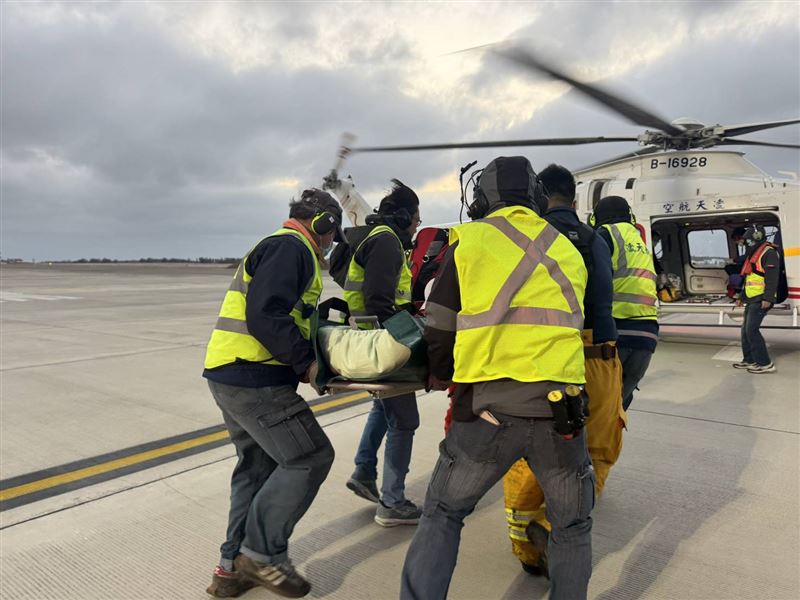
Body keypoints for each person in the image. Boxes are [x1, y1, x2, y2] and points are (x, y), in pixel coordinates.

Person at [401, 156, 594, 600]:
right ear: (537, 199)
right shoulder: (568, 247)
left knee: (443, 513)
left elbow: (440, 328)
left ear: (481, 200)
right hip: (561, 414)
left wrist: (443, 375)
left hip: (487, 412)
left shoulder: (468, 243)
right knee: (573, 525)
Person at [202, 189, 343, 598]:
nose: (332, 241)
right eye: (332, 232)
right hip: (255, 379)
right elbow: (265, 313)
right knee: (309, 456)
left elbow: (282, 308)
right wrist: (309, 363)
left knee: (258, 468)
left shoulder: (281, 249)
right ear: (323, 225)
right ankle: (262, 554)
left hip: (231, 375)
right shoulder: (291, 247)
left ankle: (230, 570)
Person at [502, 163, 624, 577]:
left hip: (546, 359)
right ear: (574, 200)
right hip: (599, 357)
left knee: (532, 453)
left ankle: (526, 547)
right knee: (599, 451)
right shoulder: (596, 238)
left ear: (539, 197)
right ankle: (554, 526)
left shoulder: (529, 239)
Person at [344, 179, 424, 526]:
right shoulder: (387, 243)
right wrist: (412, 334)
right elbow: (379, 301)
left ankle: (364, 470)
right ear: (405, 215)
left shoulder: (379, 239)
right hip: (381, 341)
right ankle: (392, 502)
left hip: (370, 336)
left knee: (385, 406)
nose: (418, 225)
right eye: (417, 218)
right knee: (405, 420)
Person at [591, 195, 659, 411]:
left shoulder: (605, 235)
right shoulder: (639, 241)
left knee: (599, 409)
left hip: (619, 330)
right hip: (648, 335)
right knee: (619, 405)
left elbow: (594, 279)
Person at [733, 224, 780, 373]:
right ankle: (749, 360)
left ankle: (765, 363)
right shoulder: (754, 253)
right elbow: (749, 277)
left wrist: (768, 298)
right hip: (752, 297)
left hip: (761, 298)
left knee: (751, 330)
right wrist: (741, 296)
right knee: (745, 330)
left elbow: (772, 279)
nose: (747, 243)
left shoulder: (769, 253)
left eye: (749, 241)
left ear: (757, 238)